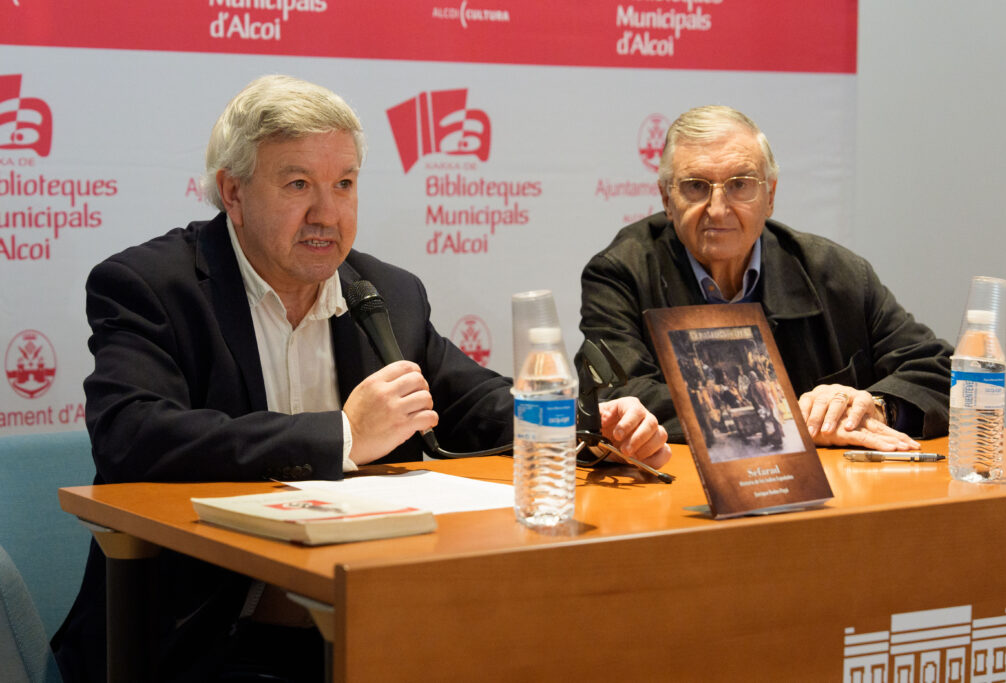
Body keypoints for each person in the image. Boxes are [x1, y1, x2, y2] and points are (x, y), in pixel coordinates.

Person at [53, 75, 670, 683]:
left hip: (376, 618)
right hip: (202, 635)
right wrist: (342, 436)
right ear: (233, 193)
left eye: (344, 184)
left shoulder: (386, 293)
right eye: (298, 184)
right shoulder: (153, 287)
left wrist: (586, 427)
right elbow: (131, 435)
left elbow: (474, 399)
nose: (328, 212)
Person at [577, 105, 952, 450]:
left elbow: (943, 370)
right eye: (696, 187)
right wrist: (793, 418)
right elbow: (618, 398)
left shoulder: (836, 272)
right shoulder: (620, 274)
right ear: (666, 199)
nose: (718, 209)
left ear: (770, 196)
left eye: (740, 184)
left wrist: (872, 409)